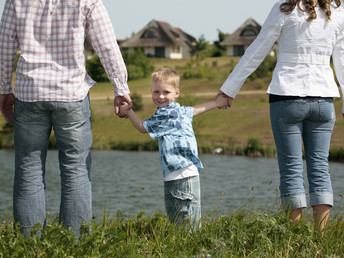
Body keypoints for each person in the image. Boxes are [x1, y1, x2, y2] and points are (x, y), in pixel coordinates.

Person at [0, 0, 132, 238]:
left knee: (28, 170)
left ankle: (28, 247)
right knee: (76, 171)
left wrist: (4, 88)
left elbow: (5, 44)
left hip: (30, 94)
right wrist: (120, 87)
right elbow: (107, 45)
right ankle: (74, 245)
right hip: (72, 95)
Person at [217, 0, 344, 230]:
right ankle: (321, 240)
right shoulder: (337, 11)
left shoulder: (284, 8)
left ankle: (295, 241)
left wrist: (229, 88)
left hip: (287, 95)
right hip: (324, 99)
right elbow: (343, 60)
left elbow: (258, 49)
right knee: (319, 167)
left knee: (291, 169)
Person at [120, 68, 228, 228]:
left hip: (181, 177)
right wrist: (216, 103)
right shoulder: (180, 111)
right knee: (185, 226)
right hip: (183, 176)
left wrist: (128, 112)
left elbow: (143, 127)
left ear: (176, 93)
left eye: (166, 92)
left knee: (183, 227)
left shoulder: (166, 114)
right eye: (156, 92)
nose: (161, 96)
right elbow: (196, 110)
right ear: (151, 92)